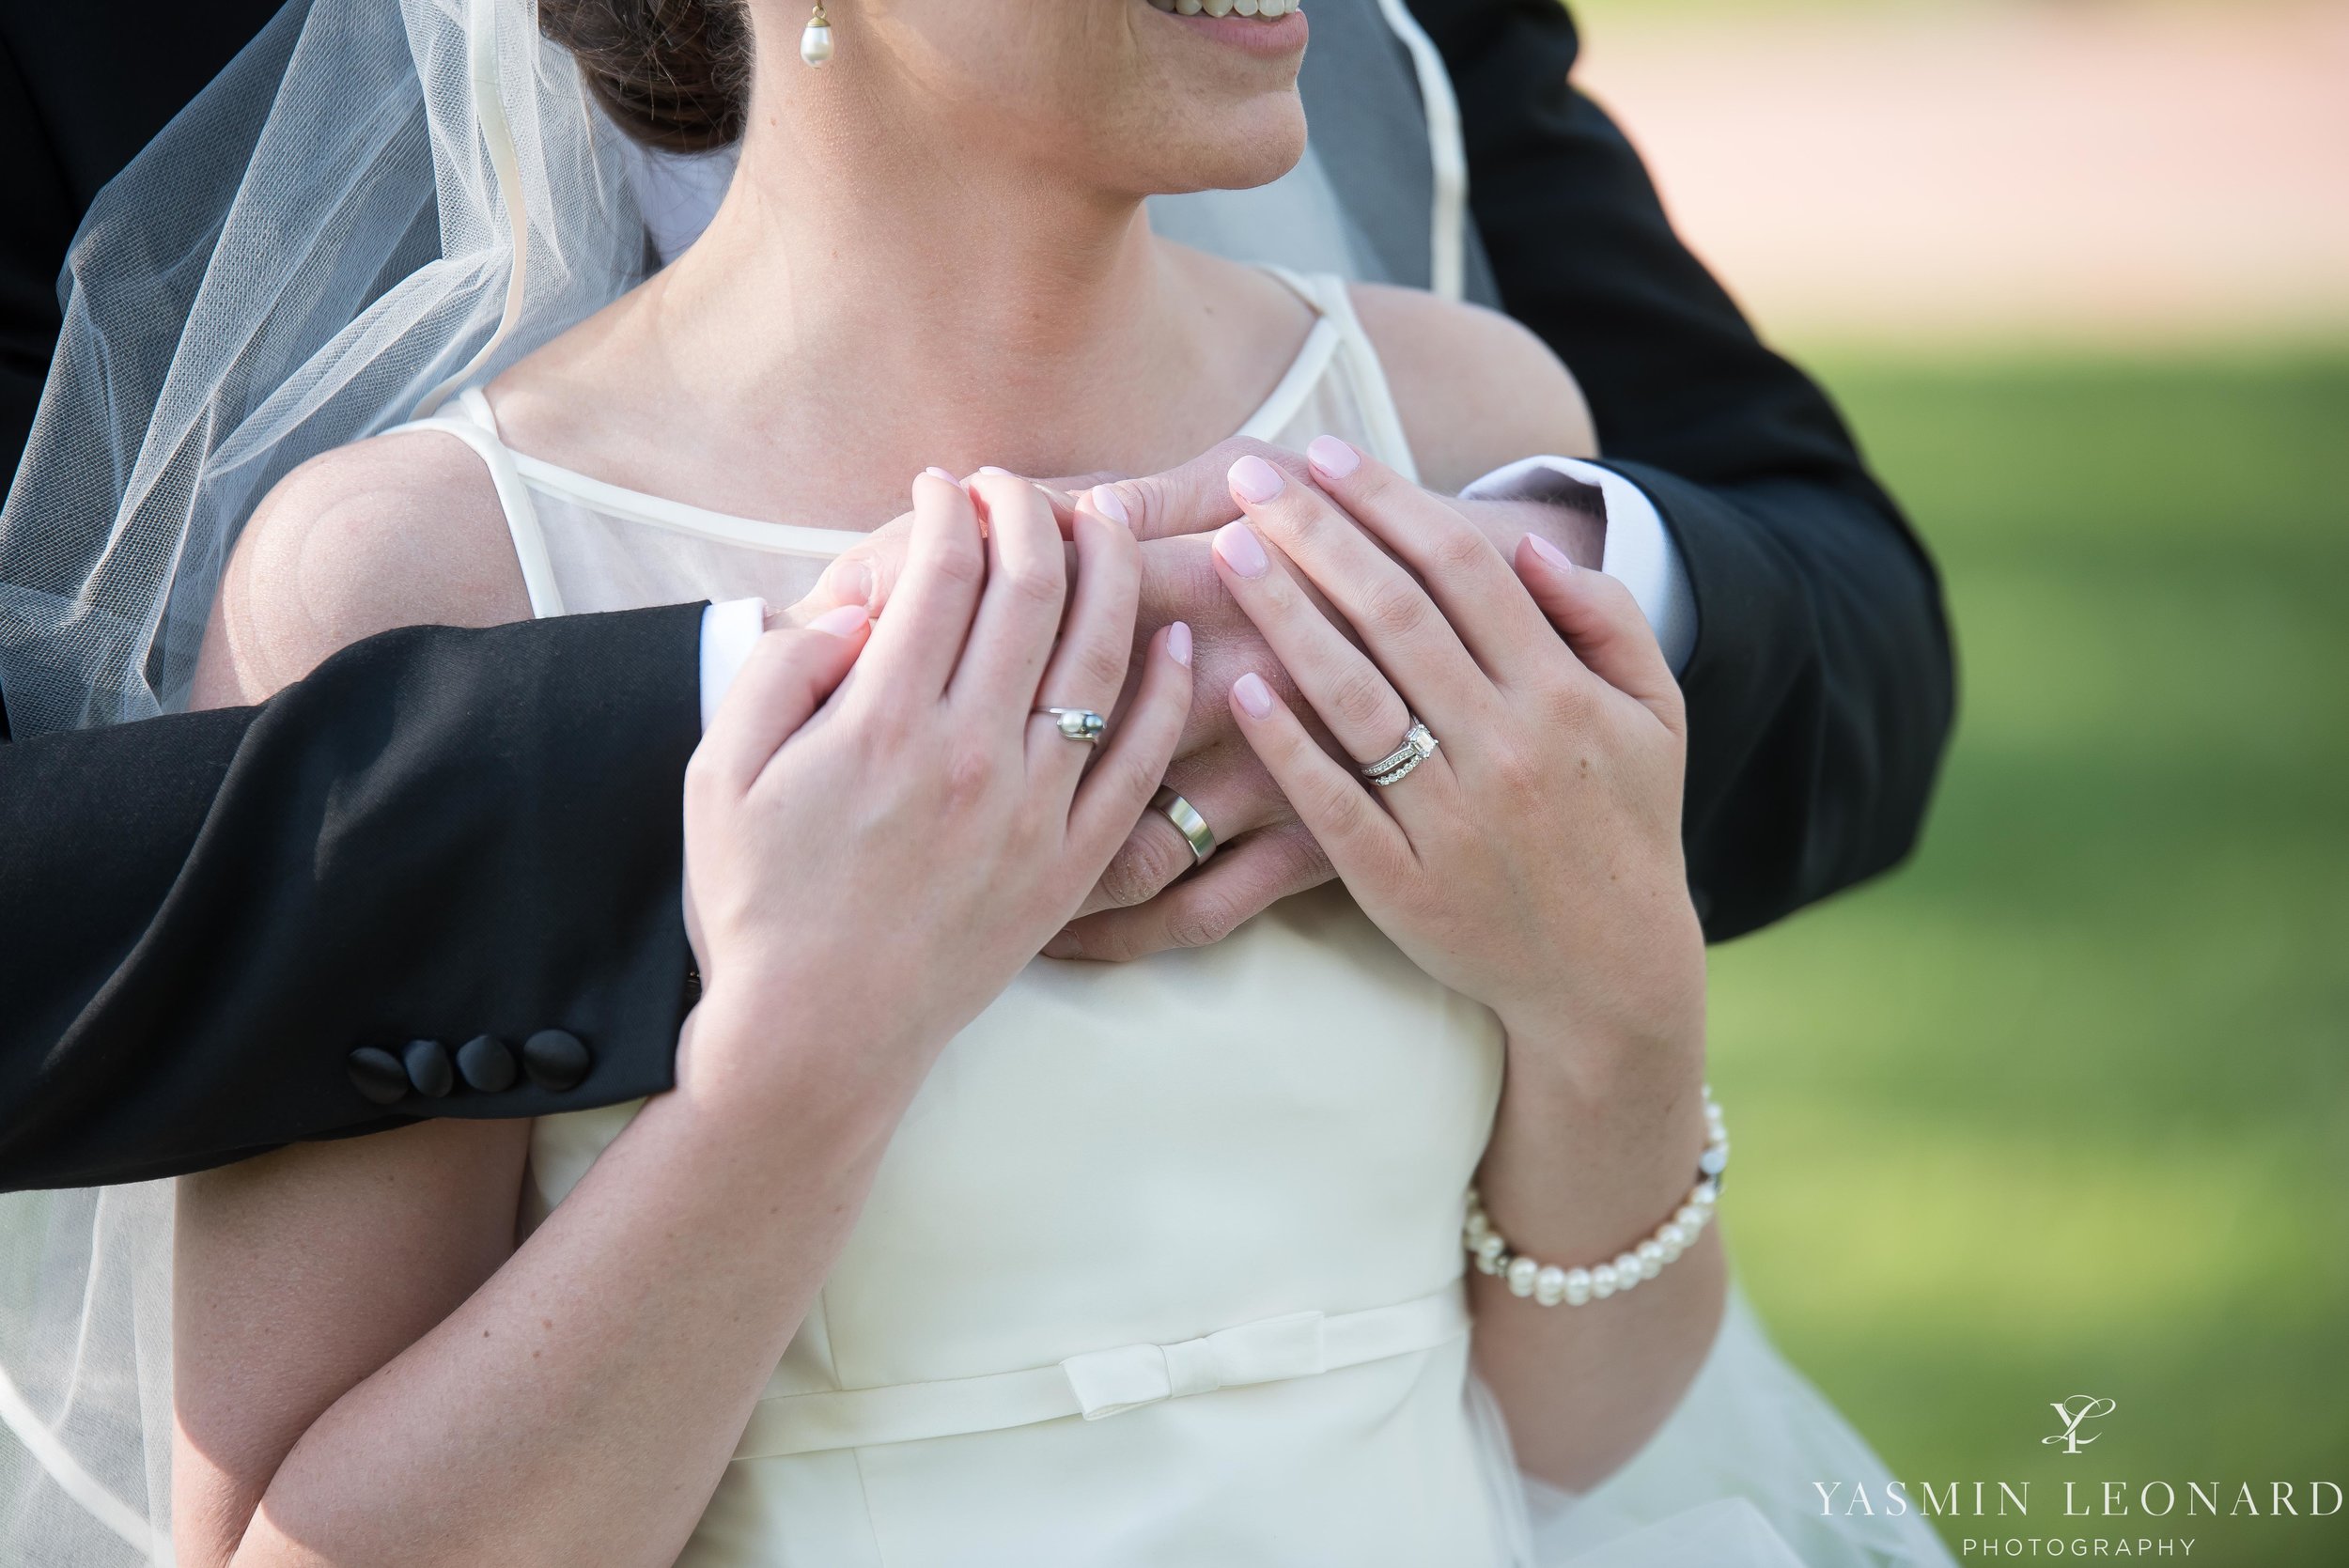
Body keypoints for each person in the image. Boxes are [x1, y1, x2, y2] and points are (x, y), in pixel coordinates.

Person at [1, 0, 1966, 1564]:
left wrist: (1608, 984)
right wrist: (807, 1062)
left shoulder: (1462, 438)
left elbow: (1586, 1434)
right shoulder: (416, 584)